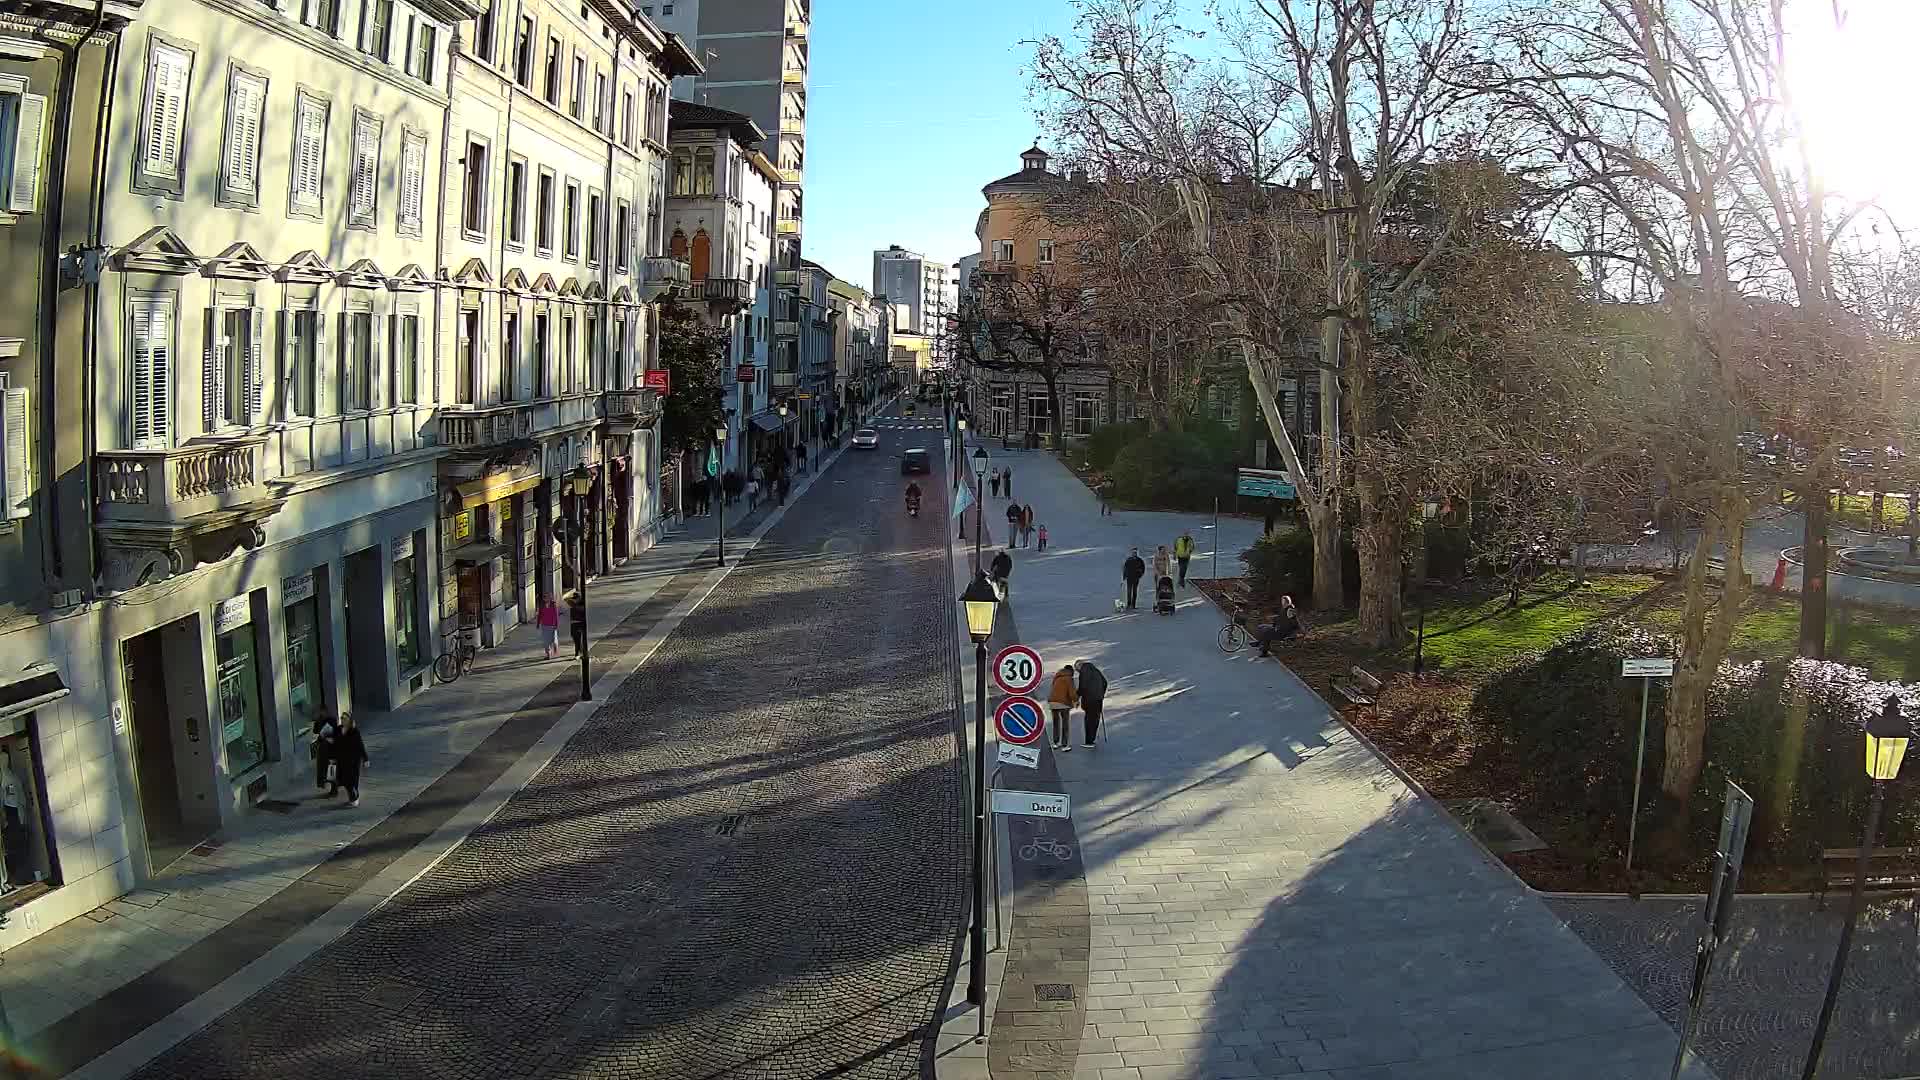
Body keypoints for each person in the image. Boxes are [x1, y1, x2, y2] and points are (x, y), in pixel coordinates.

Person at [328, 714, 369, 807]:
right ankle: (353, 796)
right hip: (341, 759)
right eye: (341, 718)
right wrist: (332, 757)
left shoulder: (354, 731)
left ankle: (354, 797)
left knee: (353, 779)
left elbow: (360, 745)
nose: (342, 720)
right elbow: (333, 744)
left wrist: (365, 759)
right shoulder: (338, 729)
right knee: (345, 780)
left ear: (349, 720)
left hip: (353, 759)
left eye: (344, 718)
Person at [1075, 661, 1107, 747]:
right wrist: (1101, 694)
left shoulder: (1084, 671)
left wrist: (1077, 696)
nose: (1077, 672)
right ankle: (1092, 740)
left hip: (1089, 700)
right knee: (1095, 719)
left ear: (1079, 667)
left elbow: (1083, 686)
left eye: (1077, 670)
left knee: (1089, 720)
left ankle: (1088, 741)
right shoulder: (1096, 670)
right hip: (1098, 699)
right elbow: (1105, 683)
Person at [1048, 664, 1078, 751]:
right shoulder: (1068, 678)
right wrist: (1076, 700)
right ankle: (1064, 745)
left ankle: (1056, 743)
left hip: (1053, 702)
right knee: (1065, 724)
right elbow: (1072, 692)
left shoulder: (1057, 677)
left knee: (1056, 723)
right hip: (1063, 703)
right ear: (1071, 671)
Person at [312, 714, 338, 791]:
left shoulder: (330, 723)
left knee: (330, 770)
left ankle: (334, 788)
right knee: (329, 770)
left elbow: (316, 731)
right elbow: (315, 731)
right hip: (327, 753)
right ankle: (333, 788)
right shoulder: (328, 723)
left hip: (329, 753)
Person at [537, 595, 561, 659]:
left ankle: (555, 648)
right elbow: (540, 614)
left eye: (546, 598)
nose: (545, 599)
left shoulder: (553, 605)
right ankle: (548, 654)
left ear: (549, 598)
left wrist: (556, 625)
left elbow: (556, 615)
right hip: (544, 625)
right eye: (544, 598)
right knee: (546, 641)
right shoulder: (542, 605)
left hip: (552, 625)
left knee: (553, 639)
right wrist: (538, 623)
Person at [568, 592, 587, 657]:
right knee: (574, 638)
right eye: (574, 598)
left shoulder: (582, 606)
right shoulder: (572, 604)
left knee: (578, 639)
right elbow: (567, 600)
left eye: (576, 598)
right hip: (573, 624)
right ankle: (580, 650)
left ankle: (577, 653)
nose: (575, 600)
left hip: (579, 623)